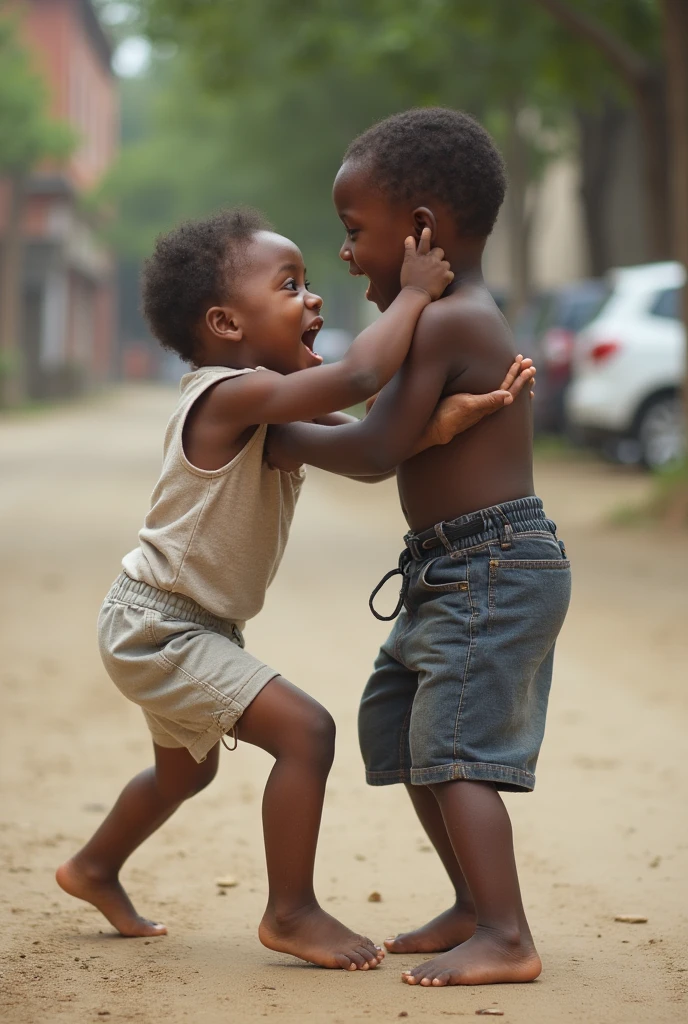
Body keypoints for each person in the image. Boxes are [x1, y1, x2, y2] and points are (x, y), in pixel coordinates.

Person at [56, 206, 533, 972]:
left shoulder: (270, 403)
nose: (313, 300)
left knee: (188, 769)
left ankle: (93, 867)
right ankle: (290, 911)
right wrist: (411, 294)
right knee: (307, 732)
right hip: (160, 627)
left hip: (189, 628)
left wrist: (439, 428)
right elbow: (359, 376)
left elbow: (373, 446)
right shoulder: (226, 395)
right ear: (225, 323)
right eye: (290, 286)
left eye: (309, 283)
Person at [267, 108, 572, 987]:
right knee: (403, 727)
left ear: (423, 230)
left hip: (495, 565)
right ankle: (474, 903)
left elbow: (371, 451)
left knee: (455, 743)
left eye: (355, 231)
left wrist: (281, 436)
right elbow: (382, 427)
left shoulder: (446, 321)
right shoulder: (443, 319)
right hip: (452, 566)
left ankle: (508, 934)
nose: (349, 253)